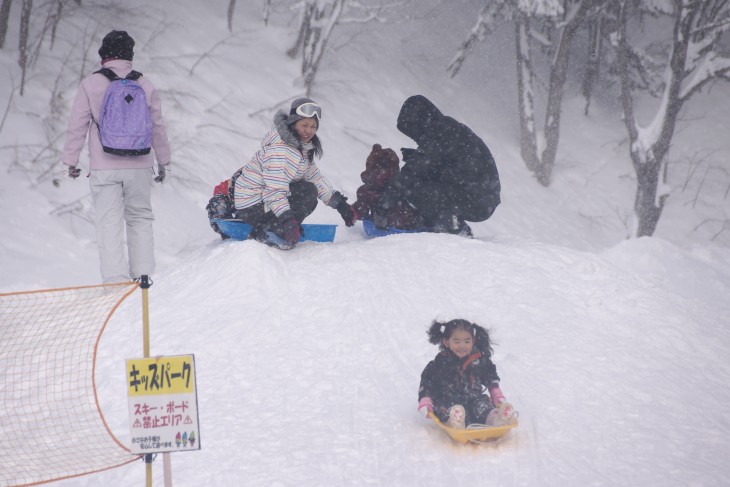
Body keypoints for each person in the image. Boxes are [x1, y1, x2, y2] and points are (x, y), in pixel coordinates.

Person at [62, 30, 171, 283]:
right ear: (130, 56)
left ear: (104, 55)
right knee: (140, 218)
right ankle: (143, 278)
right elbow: (158, 127)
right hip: (140, 164)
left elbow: (76, 126)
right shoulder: (145, 84)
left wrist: (70, 161)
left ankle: (115, 284)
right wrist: (164, 161)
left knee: (108, 223)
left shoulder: (91, 84)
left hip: (104, 166)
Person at [222, 97, 356, 249]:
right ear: (293, 123)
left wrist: (340, 205)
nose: (309, 131)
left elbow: (315, 178)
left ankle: (277, 225)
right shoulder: (281, 150)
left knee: (308, 188)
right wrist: (287, 220)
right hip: (251, 205)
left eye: (313, 126)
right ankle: (269, 230)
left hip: (262, 200)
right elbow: (274, 190)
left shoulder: (301, 148)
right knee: (307, 192)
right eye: (304, 125)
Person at [376, 95, 501, 236]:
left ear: (420, 121)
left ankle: (454, 227)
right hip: (479, 195)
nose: (416, 138)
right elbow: (445, 163)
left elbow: (411, 174)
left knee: (416, 190)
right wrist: (416, 157)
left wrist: (384, 203)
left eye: (414, 131)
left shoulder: (441, 131)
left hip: (478, 199)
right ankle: (444, 221)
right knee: (423, 186)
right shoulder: (445, 128)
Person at [418, 319, 517, 429]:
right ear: (446, 342)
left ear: (473, 341)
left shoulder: (477, 360)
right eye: (456, 341)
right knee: (447, 408)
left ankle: (496, 419)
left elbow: (490, 375)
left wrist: (496, 394)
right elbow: (428, 382)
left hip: (473, 398)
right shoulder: (440, 363)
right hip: (448, 400)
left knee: (482, 405)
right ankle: (455, 421)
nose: (462, 346)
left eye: (467, 341)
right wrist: (425, 400)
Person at [350, 144, 420, 230]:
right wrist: (351, 212)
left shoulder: (402, 186)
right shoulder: (367, 191)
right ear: (372, 172)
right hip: (383, 228)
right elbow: (361, 210)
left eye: (392, 171)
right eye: (382, 171)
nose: (388, 174)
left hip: (406, 227)